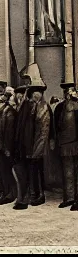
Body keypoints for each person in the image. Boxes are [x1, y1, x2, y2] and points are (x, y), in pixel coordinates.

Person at [12, 80, 53, 210]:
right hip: (27, 145)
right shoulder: (27, 106)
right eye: (35, 92)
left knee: (37, 170)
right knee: (30, 171)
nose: (37, 95)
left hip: (37, 145)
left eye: (39, 93)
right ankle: (31, 195)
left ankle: (38, 196)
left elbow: (45, 130)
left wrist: (38, 148)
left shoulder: (43, 107)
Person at [53, 82, 78, 210]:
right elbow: (56, 126)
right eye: (66, 91)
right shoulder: (59, 108)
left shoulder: (77, 106)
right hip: (64, 144)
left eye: (70, 91)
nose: (68, 94)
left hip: (75, 143)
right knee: (67, 172)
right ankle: (69, 198)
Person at [0, 89, 17, 205]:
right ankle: (7, 192)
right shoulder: (6, 110)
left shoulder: (10, 112)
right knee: (4, 171)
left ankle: (10, 194)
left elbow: (9, 132)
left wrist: (7, 147)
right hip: (3, 145)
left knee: (7, 171)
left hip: (8, 146)